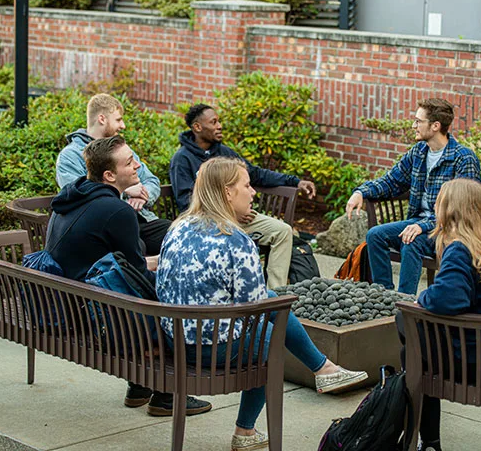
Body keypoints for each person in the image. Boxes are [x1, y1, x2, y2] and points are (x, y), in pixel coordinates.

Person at [157, 156, 367, 451]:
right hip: (212, 348)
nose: (253, 192)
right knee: (271, 332)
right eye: (247, 185)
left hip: (175, 338)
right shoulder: (234, 240)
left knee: (272, 304)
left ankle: (324, 370)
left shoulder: (178, 227)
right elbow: (254, 305)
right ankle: (247, 428)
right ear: (228, 192)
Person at [48, 135, 212, 417]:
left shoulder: (73, 197)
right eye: (129, 163)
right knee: (169, 302)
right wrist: (170, 266)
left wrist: (156, 262)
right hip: (91, 315)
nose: (137, 165)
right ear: (110, 175)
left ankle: (138, 388)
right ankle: (166, 396)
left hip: (66, 301)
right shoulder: (117, 211)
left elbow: (122, 265)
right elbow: (136, 277)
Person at [396, 179, 481, 451]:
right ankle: (427, 442)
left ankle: (429, 442)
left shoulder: (460, 248)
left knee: (408, 333)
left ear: (450, 210)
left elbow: (449, 299)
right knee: (414, 345)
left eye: (439, 204)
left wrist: (420, 298)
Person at [169, 103, 317, 289]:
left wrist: (295, 182)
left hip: (240, 217)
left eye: (219, 121)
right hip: (208, 223)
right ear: (197, 127)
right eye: (213, 122)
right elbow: (186, 202)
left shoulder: (224, 153)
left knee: (282, 231)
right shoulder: (182, 159)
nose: (219, 125)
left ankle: (275, 293)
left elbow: (255, 173)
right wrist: (229, 212)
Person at [346, 98, 481, 295]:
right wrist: (361, 192)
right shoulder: (419, 152)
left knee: (411, 240)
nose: (413, 125)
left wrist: (422, 226)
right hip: (419, 224)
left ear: (435, 126)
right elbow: (391, 181)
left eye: (418, 121)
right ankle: (385, 296)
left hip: (452, 231)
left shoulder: (463, 158)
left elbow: (462, 211)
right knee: (376, 235)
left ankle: (404, 303)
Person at [56, 93, 171, 256]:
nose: (123, 125)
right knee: (138, 247)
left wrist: (142, 196)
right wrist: (126, 191)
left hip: (140, 218)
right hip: (104, 224)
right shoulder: (70, 156)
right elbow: (81, 194)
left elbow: (151, 180)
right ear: (102, 119)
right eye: (118, 120)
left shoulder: (120, 149)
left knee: (176, 233)